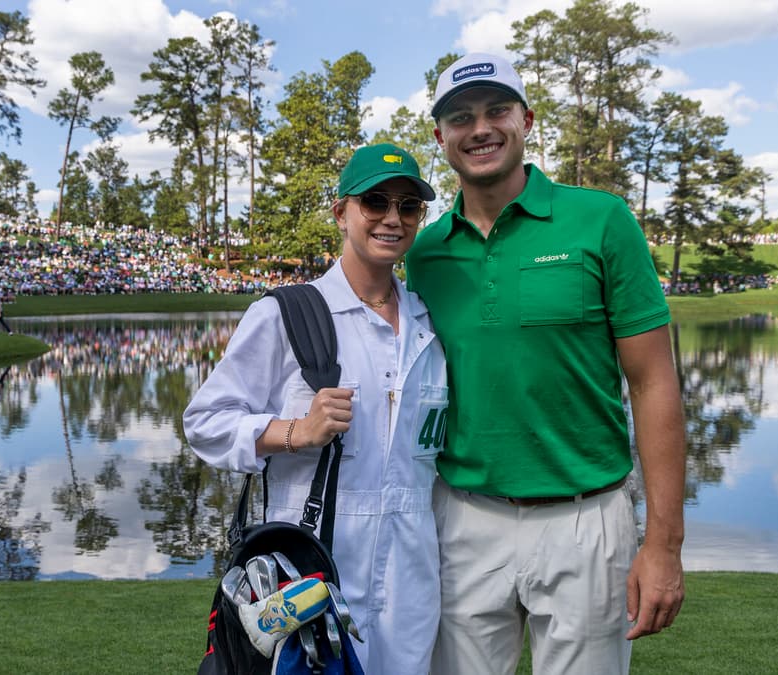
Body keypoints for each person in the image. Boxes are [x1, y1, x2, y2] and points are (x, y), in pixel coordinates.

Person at [404, 53, 687, 674]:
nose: (480, 128)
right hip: (461, 519)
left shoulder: (601, 219)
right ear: (440, 136)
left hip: (585, 520)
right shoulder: (425, 252)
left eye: (496, 110)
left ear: (526, 120)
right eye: (461, 117)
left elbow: (653, 382)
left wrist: (664, 542)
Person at [184, 143, 448, 675]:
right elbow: (205, 422)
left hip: (412, 579)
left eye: (408, 206)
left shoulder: (430, 322)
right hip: (310, 572)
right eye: (375, 202)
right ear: (341, 212)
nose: (392, 218)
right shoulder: (289, 314)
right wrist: (295, 432)